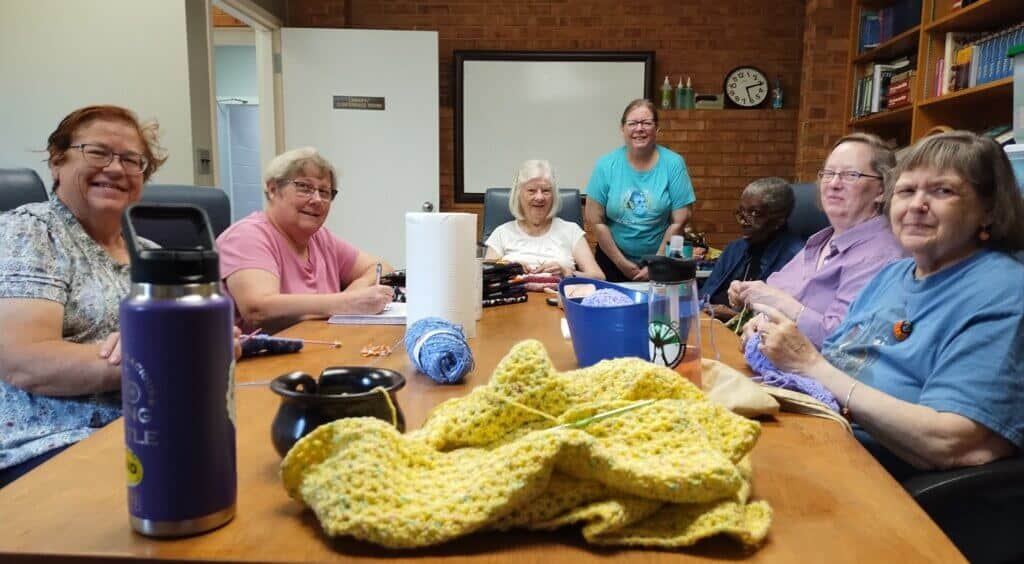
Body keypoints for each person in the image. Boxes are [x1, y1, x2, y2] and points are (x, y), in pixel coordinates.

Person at [748, 131, 1024, 481]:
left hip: (868, 476)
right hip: (812, 433)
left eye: (943, 191)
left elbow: (949, 441)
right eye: (907, 191)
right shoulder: (893, 274)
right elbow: (839, 359)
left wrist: (809, 365)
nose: (916, 205)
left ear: (989, 210)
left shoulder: (1003, 291)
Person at [0, 105, 167, 485]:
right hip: (51, 444)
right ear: (58, 161)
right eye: (98, 152)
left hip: (149, 431)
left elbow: (187, 346)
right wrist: (157, 355)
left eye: (131, 160)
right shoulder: (29, 232)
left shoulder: (151, 252)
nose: (115, 168)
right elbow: (24, 361)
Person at [729, 132, 905, 347]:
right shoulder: (819, 241)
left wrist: (775, 301)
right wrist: (754, 315)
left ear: (882, 189)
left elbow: (844, 342)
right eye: (828, 174)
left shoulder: (881, 255)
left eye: (850, 175)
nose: (834, 183)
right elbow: (771, 298)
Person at [217, 147, 394, 332]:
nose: (317, 199)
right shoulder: (246, 236)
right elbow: (259, 308)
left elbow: (381, 267)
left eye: (325, 192)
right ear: (273, 189)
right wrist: (346, 303)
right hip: (263, 358)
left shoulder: (321, 238)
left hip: (321, 347)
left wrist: (353, 293)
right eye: (304, 187)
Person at [584, 99, 696, 282]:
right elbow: (596, 221)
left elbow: (680, 221)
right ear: (622, 129)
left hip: (662, 260)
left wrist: (657, 263)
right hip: (612, 261)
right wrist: (621, 263)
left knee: (657, 311)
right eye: (633, 123)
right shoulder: (605, 165)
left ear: (657, 128)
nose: (639, 128)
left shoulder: (673, 164)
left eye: (646, 123)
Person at [700, 177, 804, 321]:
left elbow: (783, 320)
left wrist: (734, 316)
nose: (743, 221)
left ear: (779, 220)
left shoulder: (797, 258)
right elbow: (705, 296)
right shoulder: (734, 249)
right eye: (742, 212)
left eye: (754, 213)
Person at [484, 159, 604, 281]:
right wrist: (509, 269)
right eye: (531, 190)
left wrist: (567, 273)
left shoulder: (571, 230)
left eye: (546, 190)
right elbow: (484, 276)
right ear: (519, 194)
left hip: (558, 297)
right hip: (516, 298)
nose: (540, 197)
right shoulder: (501, 233)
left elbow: (599, 277)